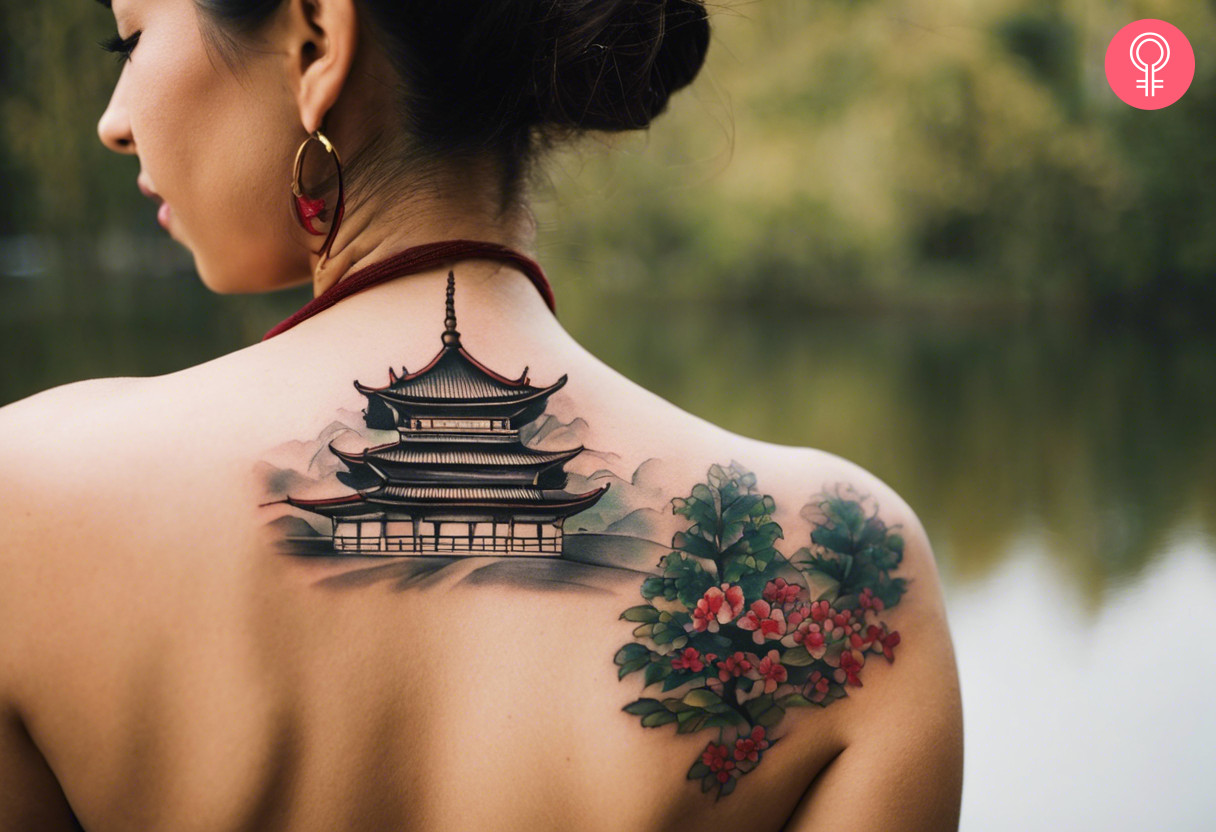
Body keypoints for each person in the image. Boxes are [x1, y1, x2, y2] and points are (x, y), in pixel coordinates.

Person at [0, 0, 963, 829]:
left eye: (128, 43)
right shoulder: (855, 566)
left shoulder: (28, 498)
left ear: (315, 41)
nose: (115, 122)